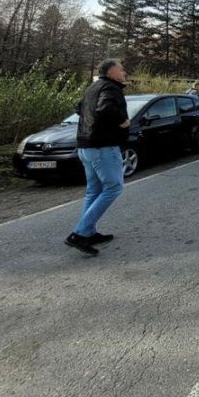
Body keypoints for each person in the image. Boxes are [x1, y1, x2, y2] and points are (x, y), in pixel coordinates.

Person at [65, 59, 131, 256]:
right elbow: (105, 109)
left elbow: (79, 107)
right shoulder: (111, 88)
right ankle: (79, 234)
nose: (124, 72)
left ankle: (89, 232)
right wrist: (123, 121)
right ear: (111, 72)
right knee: (114, 187)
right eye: (121, 69)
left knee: (94, 190)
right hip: (103, 146)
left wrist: (92, 124)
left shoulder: (93, 87)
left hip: (86, 145)